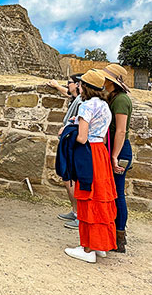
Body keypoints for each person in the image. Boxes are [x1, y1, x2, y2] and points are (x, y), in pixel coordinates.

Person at [64, 69, 117, 263]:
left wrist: (71, 130)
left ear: (84, 86)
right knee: (101, 197)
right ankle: (99, 244)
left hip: (88, 153)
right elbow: (103, 137)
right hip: (100, 153)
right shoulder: (105, 105)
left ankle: (87, 249)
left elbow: (82, 137)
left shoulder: (86, 106)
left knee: (88, 197)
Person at [101, 64, 132, 253]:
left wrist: (114, 157)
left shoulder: (121, 100)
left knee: (118, 193)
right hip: (115, 149)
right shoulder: (113, 98)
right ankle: (113, 233)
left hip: (119, 151)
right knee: (113, 192)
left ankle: (119, 237)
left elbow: (121, 131)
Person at [48, 74, 83, 229]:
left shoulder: (82, 102)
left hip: (74, 140)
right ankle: (75, 210)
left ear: (77, 85)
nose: (67, 86)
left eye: (69, 83)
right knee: (67, 177)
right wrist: (56, 86)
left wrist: (68, 128)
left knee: (71, 178)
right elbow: (67, 93)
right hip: (70, 139)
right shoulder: (76, 98)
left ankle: (79, 214)